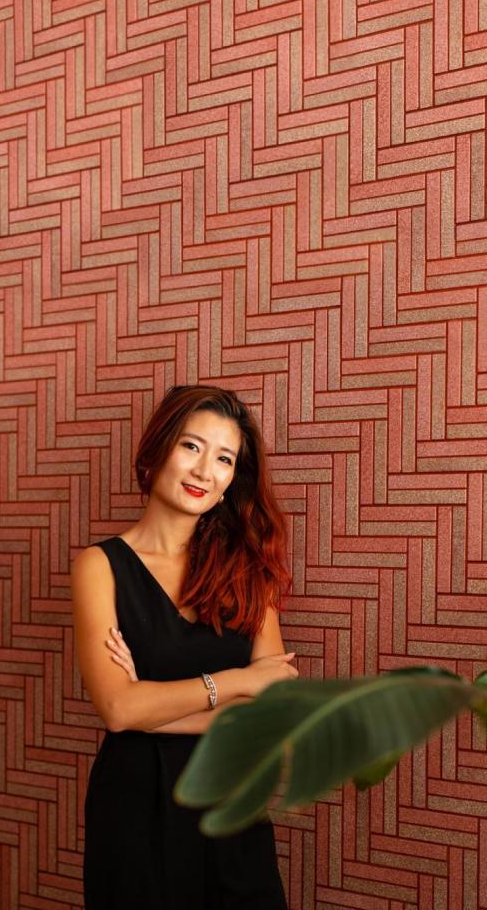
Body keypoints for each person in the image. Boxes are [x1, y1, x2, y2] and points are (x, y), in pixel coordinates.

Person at [71, 384, 297, 909]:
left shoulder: (247, 569)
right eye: (191, 447)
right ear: (157, 449)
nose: (204, 471)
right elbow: (117, 706)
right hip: (135, 809)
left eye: (224, 459)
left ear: (231, 481)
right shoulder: (99, 567)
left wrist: (147, 708)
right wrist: (239, 683)